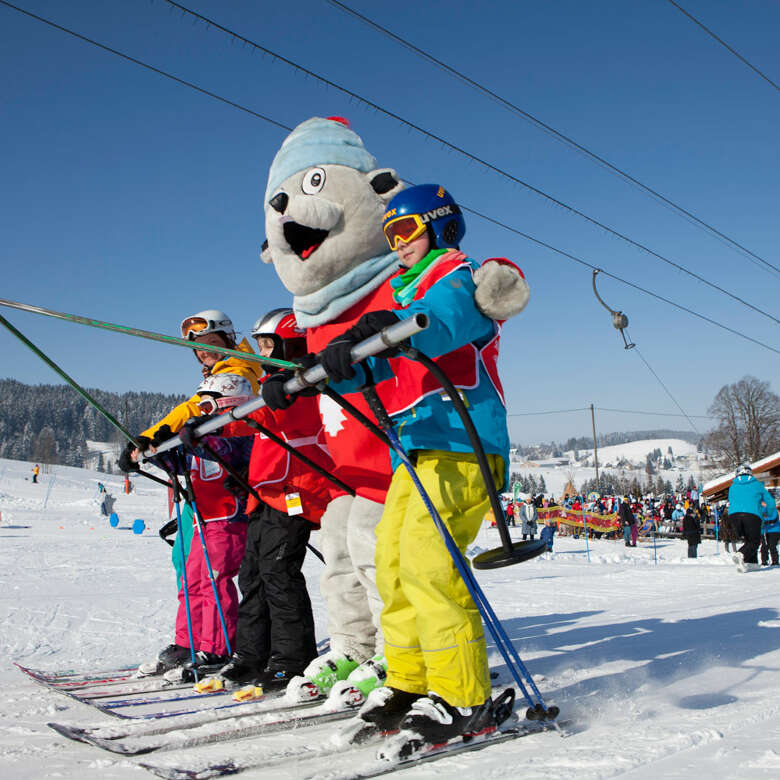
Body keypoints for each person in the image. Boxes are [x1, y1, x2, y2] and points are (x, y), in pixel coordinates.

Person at [318, 183, 518, 746]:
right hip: (416, 449)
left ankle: (461, 693)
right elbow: (373, 371)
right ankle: (409, 680)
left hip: (463, 445)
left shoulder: (459, 277)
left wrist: (372, 331)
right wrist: (330, 369)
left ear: (439, 227)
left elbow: (445, 322)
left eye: (405, 231)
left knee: (431, 566)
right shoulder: (402, 300)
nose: (397, 244)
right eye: (390, 236)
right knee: (392, 563)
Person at [138, 375, 254, 680]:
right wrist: (155, 451)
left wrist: (199, 440)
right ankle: (188, 641)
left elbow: (227, 451)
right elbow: (179, 465)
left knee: (214, 583)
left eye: (206, 406)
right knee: (192, 583)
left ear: (229, 404)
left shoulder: (243, 433)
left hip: (229, 522)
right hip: (202, 520)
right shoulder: (205, 435)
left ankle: (218, 647)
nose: (200, 413)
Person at [728, 463, 776, 567]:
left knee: (749, 540)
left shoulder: (732, 487)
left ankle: (751, 563)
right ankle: (741, 554)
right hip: (752, 515)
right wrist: (768, 513)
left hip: (734, 516)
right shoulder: (757, 485)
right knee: (754, 542)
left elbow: (731, 501)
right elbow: (771, 502)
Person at [760, 501, 780, 567]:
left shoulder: (772, 508)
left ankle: (775, 561)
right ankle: (764, 561)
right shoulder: (760, 509)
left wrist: (764, 520)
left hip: (774, 530)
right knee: (764, 546)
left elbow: (773, 519)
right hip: (764, 530)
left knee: (772, 545)